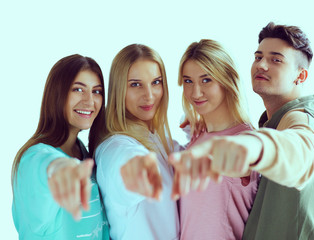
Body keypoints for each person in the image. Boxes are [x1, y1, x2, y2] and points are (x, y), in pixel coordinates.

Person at [169, 22, 314, 240]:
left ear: (301, 76)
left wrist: (253, 145)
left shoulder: (305, 119)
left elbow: (300, 147)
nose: (262, 65)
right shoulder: (271, 123)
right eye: (258, 57)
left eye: (276, 59)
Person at [11, 54, 109, 239]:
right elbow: (46, 166)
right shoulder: (32, 157)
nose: (89, 101)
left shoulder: (83, 152)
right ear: (57, 93)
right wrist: (60, 168)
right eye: (78, 89)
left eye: (96, 91)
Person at [175, 39, 259, 240]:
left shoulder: (245, 142)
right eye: (188, 81)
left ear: (227, 80)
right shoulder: (196, 137)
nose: (195, 92)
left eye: (206, 80)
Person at [94, 44, 179, 239]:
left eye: (156, 82)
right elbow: (125, 164)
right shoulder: (115, 146)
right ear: (118, 90)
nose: (149, 95)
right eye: (135, 84)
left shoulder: (155, 138)